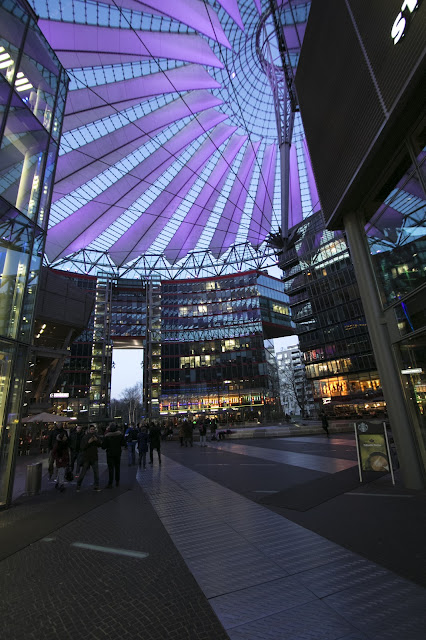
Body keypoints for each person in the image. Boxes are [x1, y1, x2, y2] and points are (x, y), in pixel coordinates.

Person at [76, 425, 102, 492]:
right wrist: (88, 442)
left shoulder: (96, 436)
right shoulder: (85, 437)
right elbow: (82, 447)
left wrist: (96, 441)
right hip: (86, 457)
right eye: (91, 429)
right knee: (83, 472)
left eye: (93, 429)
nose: (92, 430)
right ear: (88, 430)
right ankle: (78, 485)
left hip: (94, 457)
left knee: (96, 473)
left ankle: (96, 485)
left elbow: (100, 444)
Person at [102, 423, 125, 488]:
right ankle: (117, 481)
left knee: (110, 468)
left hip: (110, 454)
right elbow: (123, 443)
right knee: (117, 467)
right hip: (118, 453)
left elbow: (103, 446)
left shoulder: (107, 436)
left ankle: (110, 482)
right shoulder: (120, 435)